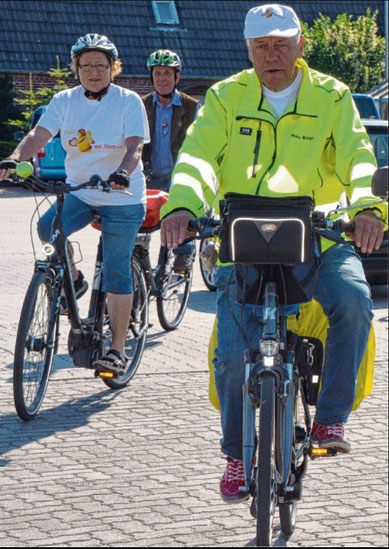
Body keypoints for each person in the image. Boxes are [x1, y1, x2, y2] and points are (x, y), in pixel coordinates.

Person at [160, 4, 386, 502]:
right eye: (262, 46)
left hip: (319, 235)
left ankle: (329, 420)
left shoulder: (332, 96)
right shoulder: (224, 97)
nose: (272, 55)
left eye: (282, 44)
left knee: (353, 300)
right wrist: (181, 205)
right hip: (244, 239)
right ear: (248, 50)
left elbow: (358, 155)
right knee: (231, 356)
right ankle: (238, 457)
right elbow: (197, 157)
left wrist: (368, 205)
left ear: (301, 45)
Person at [0, 33, 150, 376]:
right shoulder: (64, 100)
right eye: (86, 65)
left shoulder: (128, 101)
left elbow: (135, 147)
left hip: (123, 195)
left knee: (115, 271)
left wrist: (123, 173)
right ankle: (76, 279)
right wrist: (14, 157)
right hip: (81, 191)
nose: (93, 71)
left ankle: (116, 349)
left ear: (113, 68)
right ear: (76, 69)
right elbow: (38, 135)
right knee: (46, 227)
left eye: (100, 65)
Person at [142, 49, 200, 272]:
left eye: (167, 73)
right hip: (149, 175)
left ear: (177, 77)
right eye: (158, 73)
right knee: (137, 225)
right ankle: (140, 266)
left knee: (179, 221)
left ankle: (183, 253)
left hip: (178, 177)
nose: (162, 78)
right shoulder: (141, 105)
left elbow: (199, 143)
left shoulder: (192, 107)